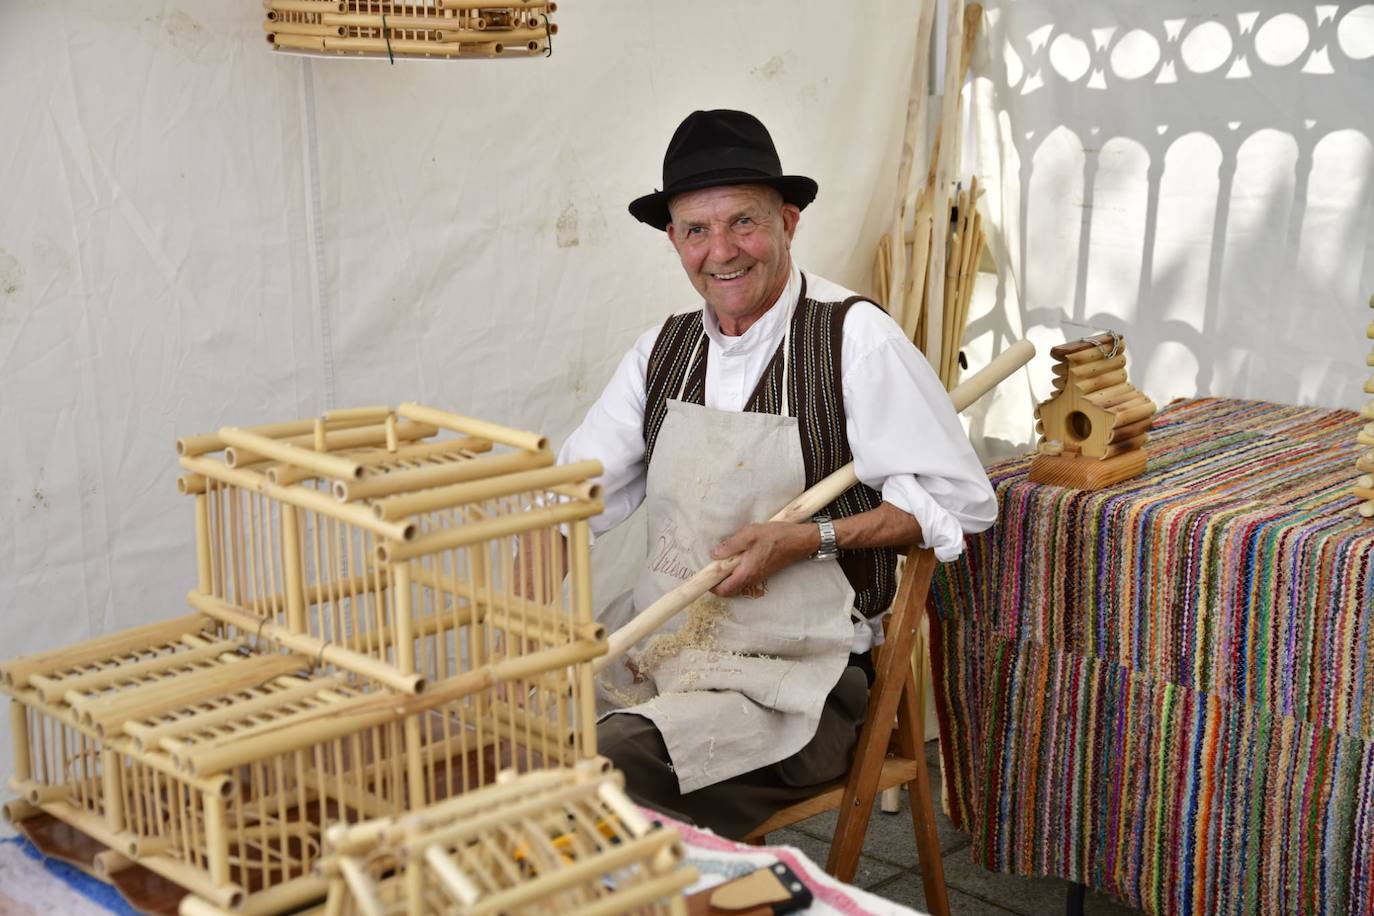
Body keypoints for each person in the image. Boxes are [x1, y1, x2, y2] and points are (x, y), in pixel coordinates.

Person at [558, 109, 996, 838]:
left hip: (801, 684)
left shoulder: (855, 342)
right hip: (667, 657)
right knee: (513, 746)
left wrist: (806, 539)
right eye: (696, 230)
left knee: (603, 769)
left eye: (744, 223)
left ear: (788, 222)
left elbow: (961, 502)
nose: (721, 251)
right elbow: (569, 499)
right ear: (673, 240)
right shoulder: (659, 353)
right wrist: (517, 616)